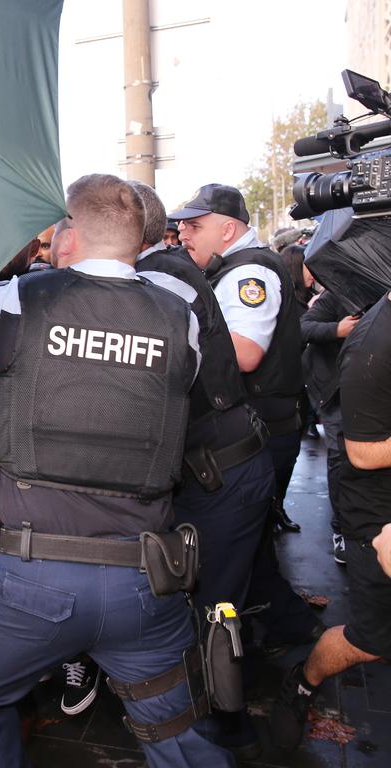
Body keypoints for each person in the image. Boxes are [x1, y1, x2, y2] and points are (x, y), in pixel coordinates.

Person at [0, 173, 232, 768]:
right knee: (177, 733)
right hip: (145, 577)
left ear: (70, 233)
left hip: (32, 581)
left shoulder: (18, 300)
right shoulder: (181, 316)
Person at [131, 180, 271, 757]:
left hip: (223, 471)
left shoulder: (162, 279)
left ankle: (231, 722)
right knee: (211, 596)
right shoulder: (166, 272)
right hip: (215, 468)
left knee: (217, 603)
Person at [170, 183, 322, 647]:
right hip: (260, 429)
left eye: (195, 226)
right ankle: (289, 626)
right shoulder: (238, 266)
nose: (183, 234)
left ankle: (231, 653)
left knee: (233, 549)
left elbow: (245, 353)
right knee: (249, 548)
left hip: (258, 432)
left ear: (228, 228)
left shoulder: (247, 273)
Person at [269, 289, 391, 751]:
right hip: (376, 517)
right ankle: (303, 680)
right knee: (372, 640)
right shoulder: (373, 345)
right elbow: (362, 452)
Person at [300, 289, 359, 564]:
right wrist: (339, 329)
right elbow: (304, 327)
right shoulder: (339, 292)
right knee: (341, 457)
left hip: (367, 386)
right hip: (332, 388)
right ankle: (342, 531)